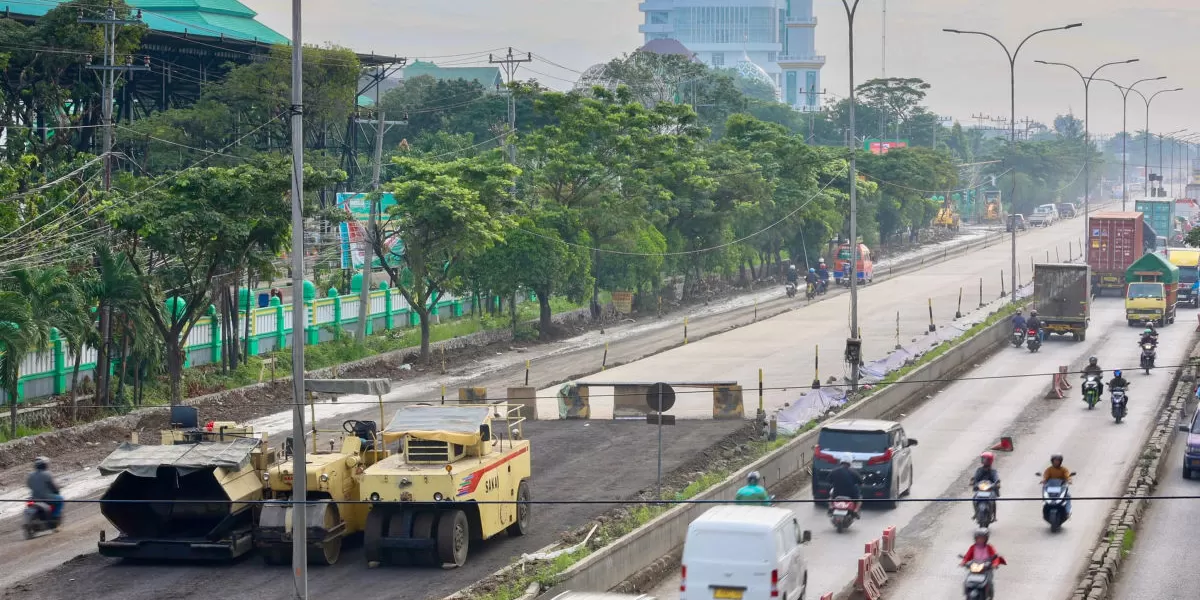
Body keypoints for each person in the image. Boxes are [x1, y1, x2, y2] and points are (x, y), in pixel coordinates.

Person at [27, 456, 63, 523]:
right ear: (44, 465)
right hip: (46, 498)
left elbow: (29, 486)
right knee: (60, 498)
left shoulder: (30, 475)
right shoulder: (47, 474)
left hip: (34, 498)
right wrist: (57, 490)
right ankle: (55, 516)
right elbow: (54, 486)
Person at [970, 452, 1001, 520]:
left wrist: (997, 484)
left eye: (985, 459)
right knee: (974, 498)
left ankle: (994, 516)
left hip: (990, 489)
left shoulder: (993, 471)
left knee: (993, 500)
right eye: (983, 459)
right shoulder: (979, 470)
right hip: (980, 489)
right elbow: (975, 478)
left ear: (989, 460)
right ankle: (976, 513)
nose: (983, 460)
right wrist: (973, 482)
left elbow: (996, 479)